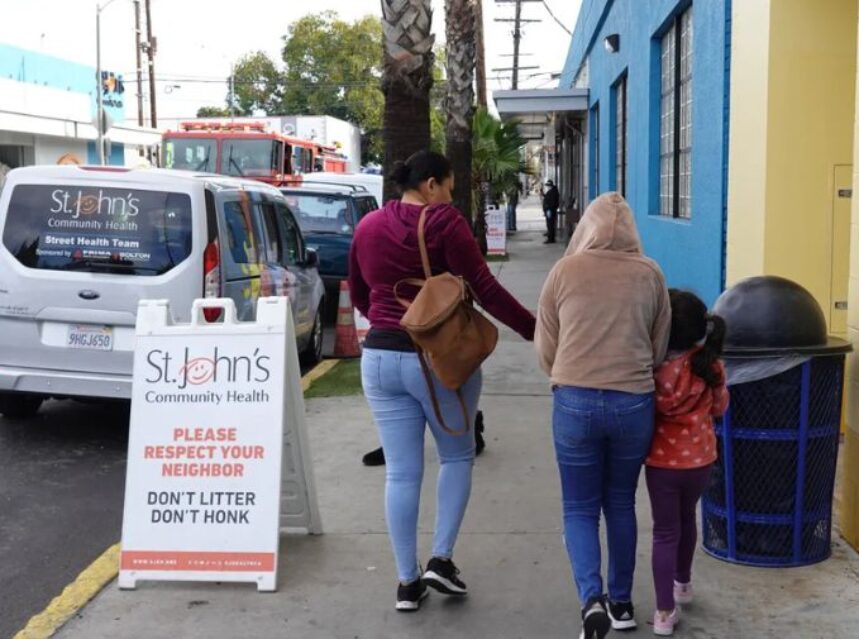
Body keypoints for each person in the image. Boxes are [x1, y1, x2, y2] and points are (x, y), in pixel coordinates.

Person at [349, 150, 536, 612]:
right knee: (456, 455)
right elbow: (485, 289)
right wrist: (537, 330)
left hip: (378, 356)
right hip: (435, 360)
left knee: (402, 471)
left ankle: (406, 583)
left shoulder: (369, 225)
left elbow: (357, 290)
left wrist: (387, 320)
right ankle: (441, 559)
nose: (450, 198)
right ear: (430, 185)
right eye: (449, 188)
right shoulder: (444, 223)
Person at [535, 192, 671, 639]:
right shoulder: (650, 274)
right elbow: (658, 346)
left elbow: (546, 345)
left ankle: (590, 599)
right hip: (633, 402)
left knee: (578, 508)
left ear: (585, 228)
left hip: (573, 399)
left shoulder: (564, 271)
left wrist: (565, 371)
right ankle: (623, 603)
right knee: (620, 503)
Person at [645, 291, 728, 636]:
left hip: (662, 465)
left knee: (665, 532)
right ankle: (684, 584)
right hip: (700, 462)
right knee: (687, 520)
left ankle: (664, 613)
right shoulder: (709, 364)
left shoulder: (654, 368)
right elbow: (720, 408)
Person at [542, 180, 560, 244]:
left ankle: (551, 238)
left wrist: (548, 208)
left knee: (550, 224)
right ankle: (550, 236)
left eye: (548, 186)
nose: (547, 187)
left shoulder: (553, 192)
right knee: (550, 224)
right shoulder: (552, 191)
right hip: (549, 210)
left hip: (550, 210)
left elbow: (551, 202)